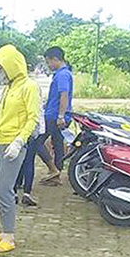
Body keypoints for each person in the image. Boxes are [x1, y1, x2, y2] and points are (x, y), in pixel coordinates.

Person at [0, 45, 39, 253]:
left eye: (0, 68)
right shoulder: (9, 87)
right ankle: (4, 230)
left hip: (12, 145)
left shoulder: (29, 87)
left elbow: (32, 118)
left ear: (11, 66)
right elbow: (7, 116)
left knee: (5, 189)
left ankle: (9, 236)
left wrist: (19, 141)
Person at [37, 46, 73, 185]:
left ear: (55, 59)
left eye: (48, 62)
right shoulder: (64, 73)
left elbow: (64, 95)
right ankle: (56, 176)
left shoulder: (62, 75)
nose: (48, 65)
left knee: (37, 142)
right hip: (56, 114)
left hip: (54, 116)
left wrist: (60, 116)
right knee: (58, 144)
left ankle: (53, 170)